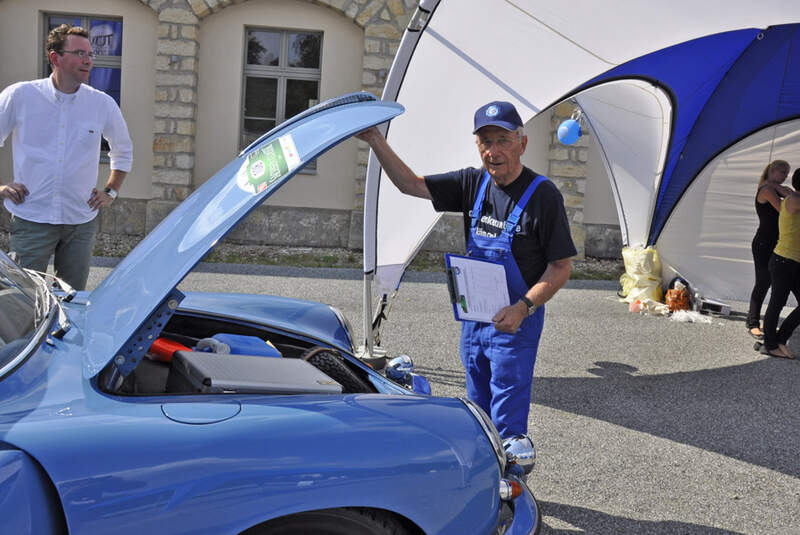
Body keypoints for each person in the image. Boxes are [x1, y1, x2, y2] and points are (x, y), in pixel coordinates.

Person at [358, 101, 576, 452]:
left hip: (515, 324)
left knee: (507, 423)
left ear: (521, 143)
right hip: (475, 324)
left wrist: (523, 307)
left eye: (503, 140)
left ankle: (512, 486)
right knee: (477, 415)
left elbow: (561, 266)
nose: (494, 151)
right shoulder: (472, 183)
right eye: (485, 141)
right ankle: (483, 479)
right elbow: (409, 184)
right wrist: (374, 140)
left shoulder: (543, 196)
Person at [0, 24, 132, 290]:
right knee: (22, 300)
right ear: (55, 57)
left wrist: (111, 191)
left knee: (72, 301)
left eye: (91, 54)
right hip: (32, 217)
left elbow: (123, 150)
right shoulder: (20, 96)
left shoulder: (102, 103)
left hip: (79, 222)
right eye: (79, 53)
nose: (88, 60)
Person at [746, 160, 791, 339]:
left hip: (776, 242)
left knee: (775, 283)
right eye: (782, 172)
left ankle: (768, 320)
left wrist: (783, 189)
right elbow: (784, 209)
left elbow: (791, 195)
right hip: (764, 242)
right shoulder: (766, 190)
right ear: (772, 171)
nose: (785, 176)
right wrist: (783, 191)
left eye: (787, 173)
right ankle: (752, 322)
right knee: (763, 282)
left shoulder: (775, 188)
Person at [760, 168, 800, 359]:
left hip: (792, 261)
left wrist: (775, 185)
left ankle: (780, 338)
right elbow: (787, 192)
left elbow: (784, 189)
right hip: (783, 261)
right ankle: (770, 345)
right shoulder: (795, 201)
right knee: (777, 304)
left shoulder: (792, 196)